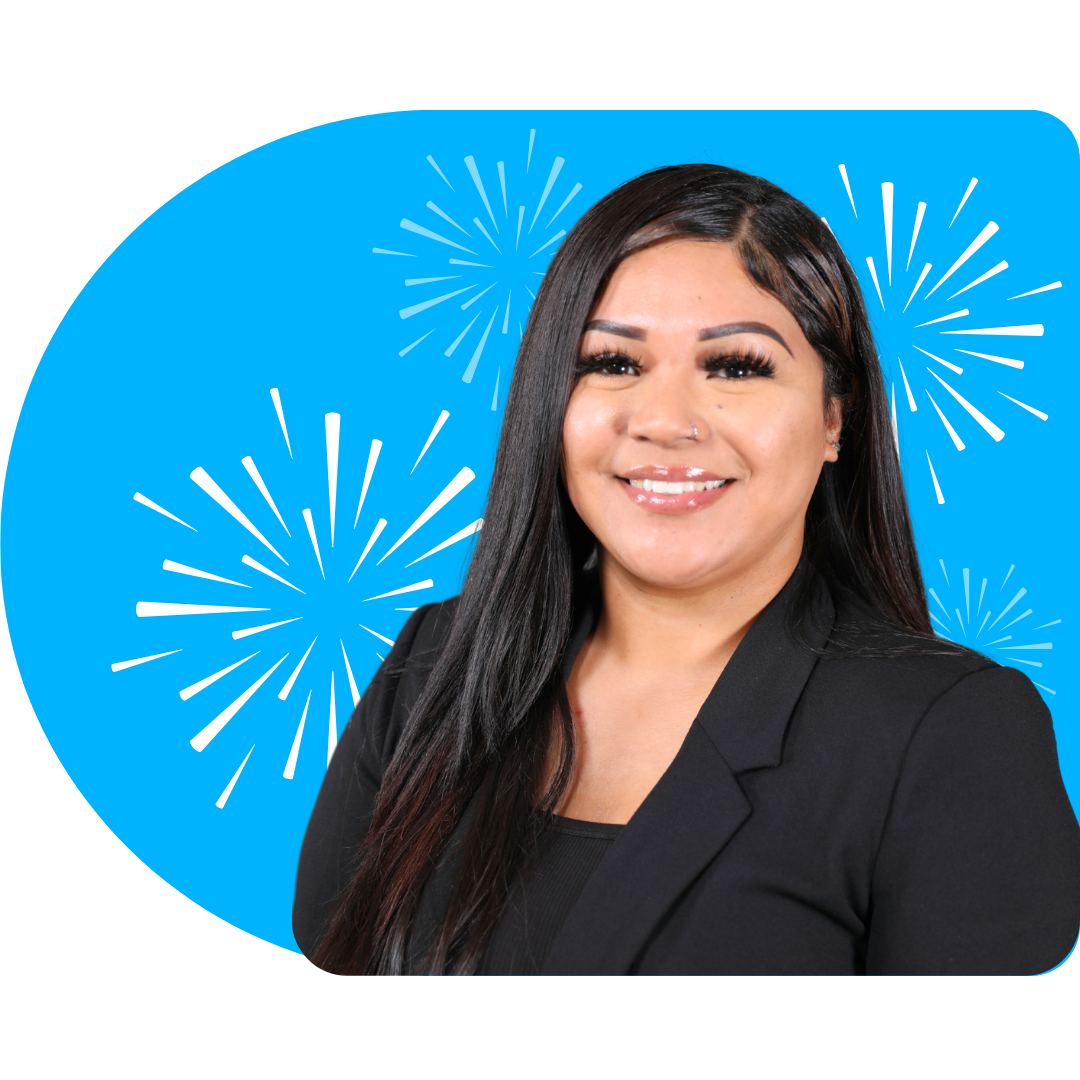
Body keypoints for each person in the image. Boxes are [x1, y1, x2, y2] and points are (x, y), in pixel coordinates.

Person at [293, 163, 1080, 975]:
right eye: (612, 363)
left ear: (834, 420)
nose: (664, 422)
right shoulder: (436, 663)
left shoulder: (954, 735)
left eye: (736, 366)